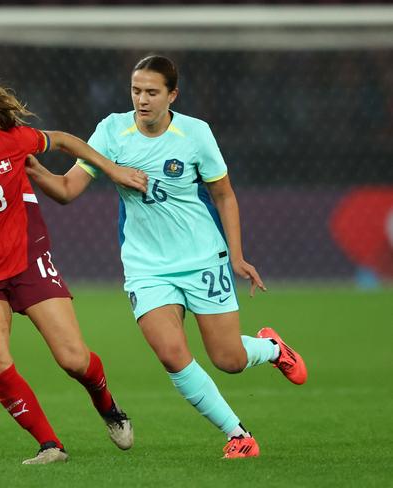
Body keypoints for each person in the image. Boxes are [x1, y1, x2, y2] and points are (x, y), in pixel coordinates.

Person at [25, 55, 308, 459]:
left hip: (202, 257)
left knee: (228, 359)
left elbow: (223, 194)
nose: (142, 99)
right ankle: (238, 434)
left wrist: (238, 256)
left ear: (172, 95)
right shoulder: (111, 132)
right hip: (146, 267)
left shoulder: (194, 134)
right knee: (172, 355)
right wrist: (37, 173)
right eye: (136, 90)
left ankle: (274, 349)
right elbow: (68, 190)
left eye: (152, 92)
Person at [0, 69, 147, 465]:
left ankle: (108, 407)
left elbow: (66, 142)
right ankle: (50, 445)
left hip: (27, 264)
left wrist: (113, 170)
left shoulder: (12, 142)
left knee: (73, 359)